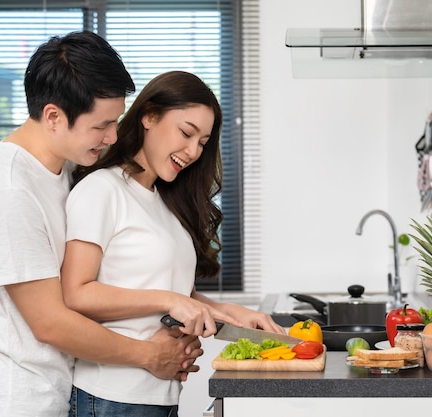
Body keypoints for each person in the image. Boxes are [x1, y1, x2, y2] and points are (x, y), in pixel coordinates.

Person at [0, 32, 214, 417]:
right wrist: (150, 355)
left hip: (57, 394)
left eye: (116, 121)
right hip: (13, 403)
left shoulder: (64, 170)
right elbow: (52, 323)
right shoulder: (8, 192)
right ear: (54, 116)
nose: (112, 136)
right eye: (101, 126)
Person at [60, 70, 285, 417]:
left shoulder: (163, 202)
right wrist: (171, 299)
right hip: (111, 397)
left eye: (203, 142)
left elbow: (166, 290)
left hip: (160, 394)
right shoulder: (102, 190)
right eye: (186, 133)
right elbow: (76, 293)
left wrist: (232, 314)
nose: (193, 151)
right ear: (149, 116)